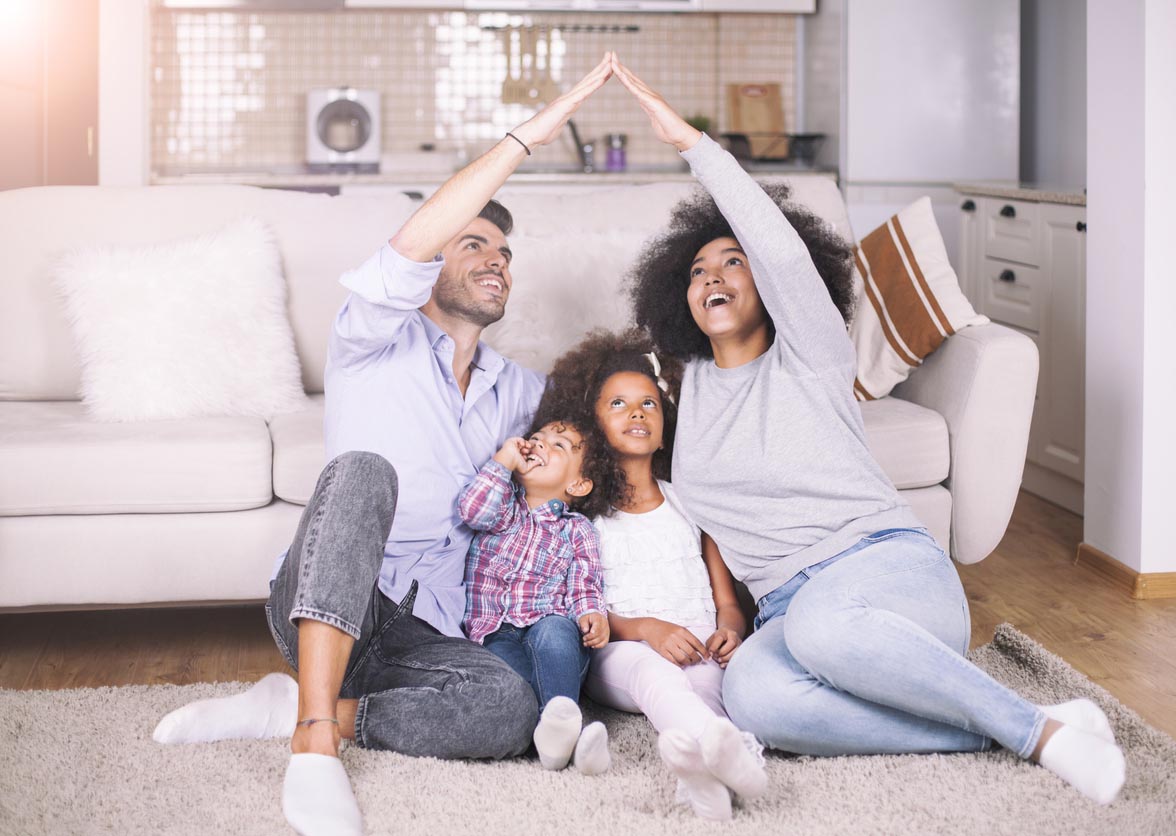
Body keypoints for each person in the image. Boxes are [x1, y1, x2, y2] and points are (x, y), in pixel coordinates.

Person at [615, 54, 1127, 806]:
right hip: (788, 609)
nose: (713, 276)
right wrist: (729, 613)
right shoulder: (687, 399)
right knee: (757, 700)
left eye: (734, 261)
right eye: (697, 270)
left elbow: (782, 250)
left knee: (825, 633)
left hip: (886, 575)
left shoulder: (811, 355)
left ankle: (1040, 739)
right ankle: (1014, 724)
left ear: (768, 281)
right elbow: (708, 525)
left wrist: (694, 145)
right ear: (678, 296)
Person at [152, 54, 618, 836]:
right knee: (366, 471)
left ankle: (308, 708)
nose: (495, 262)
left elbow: (610, 426)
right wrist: (532, 135)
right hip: (331, 599)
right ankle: (313, 748)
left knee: (509, 709)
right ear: (430, 263)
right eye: (472, 246)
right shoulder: (368, 339)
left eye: (503, 254)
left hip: (430, 632)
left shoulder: (524, 395)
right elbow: (413, 243)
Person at [537, 328, 767, 821]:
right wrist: (645, 629)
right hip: (620, 654)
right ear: (593, 425)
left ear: (666, 427)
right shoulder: (583, 515)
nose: (636, 412)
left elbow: (726, 599)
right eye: (617, 403)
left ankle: (698, 778)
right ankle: (730, 755)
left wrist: (730, 628)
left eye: (649, 404)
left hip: (699, 644)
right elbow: (580, 608)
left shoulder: (691, 502)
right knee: (654, 673)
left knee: (716, 690)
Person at [458, 420, 613, 775]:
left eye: (558, 446)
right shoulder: (503, 508)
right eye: (536, 439)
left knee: (556, 632)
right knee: (514, 686)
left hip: (548, 622)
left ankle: (564, 725)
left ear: (578, 483)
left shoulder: (576, 529)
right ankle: (561, 742)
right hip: (493, 631)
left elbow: (584, 581)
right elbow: (472, 510)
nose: (540, 445)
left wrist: (592, 612)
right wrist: (503, 461)